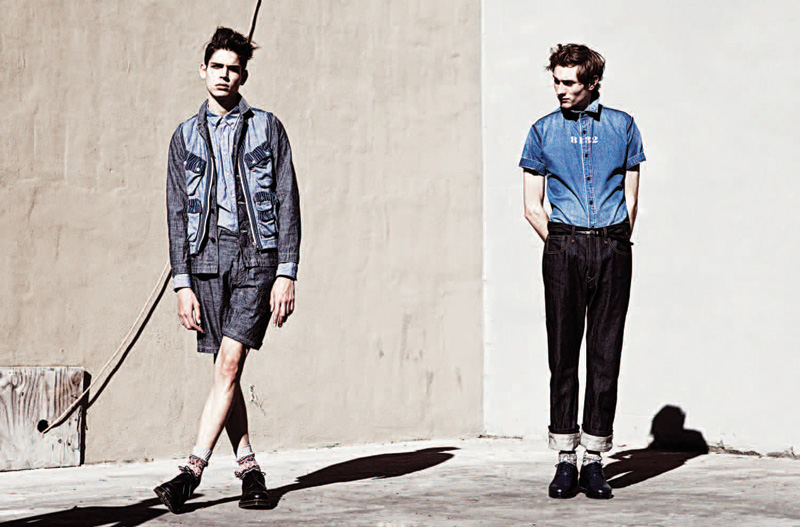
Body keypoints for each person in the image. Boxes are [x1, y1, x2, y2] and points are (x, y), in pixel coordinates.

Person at [155, 26, 301, 513]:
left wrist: (286, 272)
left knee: (229, 365)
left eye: (233, 69)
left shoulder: (268, 127)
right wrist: (182, 284)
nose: (224, 75)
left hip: (256, 257)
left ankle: (190, 472)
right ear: (203, 71)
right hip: (205, 260)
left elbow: (287, 199)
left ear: (243, 76)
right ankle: (250, 471)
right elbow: (177, 213)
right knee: (226, 371)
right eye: (216, 66)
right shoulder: (184, 137)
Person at [520, 43, 644, 499]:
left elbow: (631, 199)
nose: (560, 90)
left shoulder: (623, 126)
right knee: (563, 356)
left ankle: (594, 459)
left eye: (569, 82)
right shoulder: (542, 131)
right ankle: (564, 458)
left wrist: (614, 242)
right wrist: (562, 243)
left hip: (612, 246)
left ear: (592, 82)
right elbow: (531, 206)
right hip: (564, 247)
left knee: (605, 356)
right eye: (556, 81)